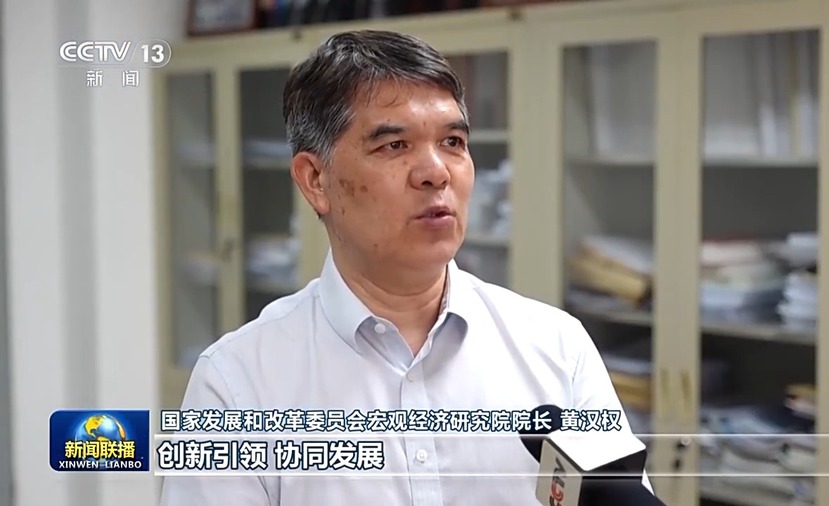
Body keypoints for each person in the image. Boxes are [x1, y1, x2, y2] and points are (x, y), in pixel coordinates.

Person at [160, 30, 651, 505]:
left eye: (453, 142)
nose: (436, 172)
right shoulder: (238, 384)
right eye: (394, 146)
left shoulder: (556, 348)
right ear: (315, 180)